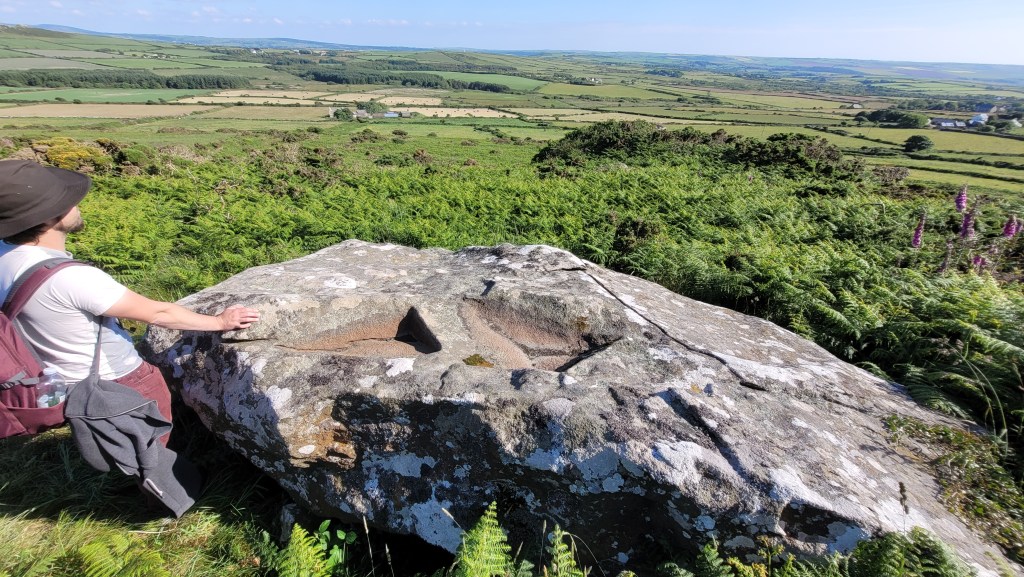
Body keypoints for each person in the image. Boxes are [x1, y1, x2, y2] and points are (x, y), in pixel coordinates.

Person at [0, 159, 259, 443]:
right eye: (69, 201)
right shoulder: (71, 279)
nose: (78, 205)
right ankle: (161, 481)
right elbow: (158, 313)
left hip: (63, 380)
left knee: (112, 439)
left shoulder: (5, 255)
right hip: (116, 379)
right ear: (50, 217)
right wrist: (220, 321)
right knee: (150, 449)